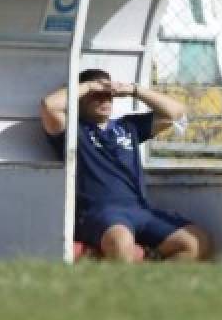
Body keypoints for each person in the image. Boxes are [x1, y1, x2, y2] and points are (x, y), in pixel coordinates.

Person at [39, 68, 212, 263]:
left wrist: (133, 90)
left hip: (140, 210)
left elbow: (176, 113)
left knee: (195, 242)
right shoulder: (74, 131)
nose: (105, 100)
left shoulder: (128, 126)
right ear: (81, 98)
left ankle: (151, 287)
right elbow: (49, 106)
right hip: (98, 214)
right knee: (121, 243)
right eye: (97, 95)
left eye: (109, 95)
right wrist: (88, 86)